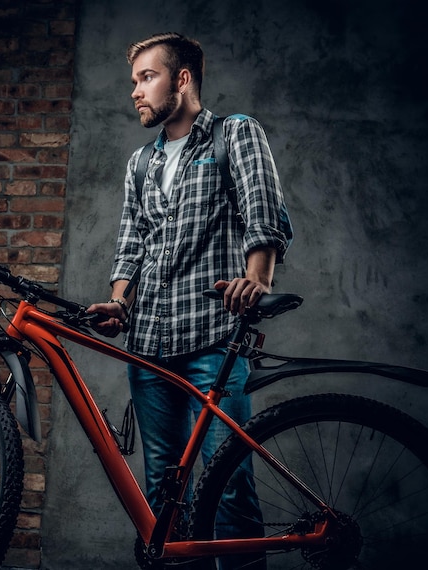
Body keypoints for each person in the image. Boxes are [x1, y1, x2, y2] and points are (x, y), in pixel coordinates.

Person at [88, 32, 292, 569]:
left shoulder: (235, 134)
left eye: (147, 77)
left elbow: (261, 209)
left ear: (182, 79)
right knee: (163, 487)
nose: (136, 91)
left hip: (212, 338)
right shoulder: (140, 163)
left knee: (229, 483)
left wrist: (257, 277)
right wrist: (119, 303)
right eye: (134, 81)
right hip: (149, 344)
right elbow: (131, 242)